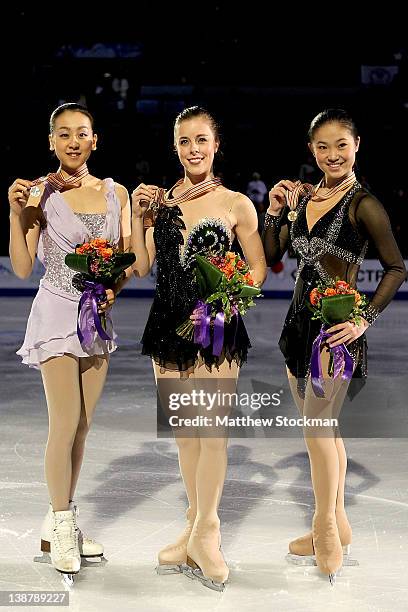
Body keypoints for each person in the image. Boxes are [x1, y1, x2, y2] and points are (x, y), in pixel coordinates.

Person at [263, 109, 406, 583]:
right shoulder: (306, 200)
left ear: (357, 145)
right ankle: (337, 522)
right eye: (323, 146)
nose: (333, 155)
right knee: (326, 431)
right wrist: (275, 212)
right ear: (312, 150)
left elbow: (396, 268)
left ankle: (324, 527)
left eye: (341, 144)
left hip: (335, 331)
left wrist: (364, 319)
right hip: (297, 327)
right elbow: (269, 255)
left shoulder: (364, 204)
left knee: (317, 430)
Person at [131, 106, 266, 591]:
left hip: (218, 329)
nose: (194, 148)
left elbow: (256, 270)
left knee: (213, 435)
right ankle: (192, 528)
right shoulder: (159, 204)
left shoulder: (236, 204)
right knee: (186, 435)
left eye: (202, 139)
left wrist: (224, 304)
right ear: (175, 147)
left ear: (216, 144)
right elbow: (142, 266)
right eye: (185, 140)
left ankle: (208, 531)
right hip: (166, 327)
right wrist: (135, 213)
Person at [8, 103, 131, 581]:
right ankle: (62, 525)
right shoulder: (40, 192)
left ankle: (58, 516)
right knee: (64, 422)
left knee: (82, 426)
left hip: (95, 320)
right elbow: (22, 267)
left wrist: (110, 293)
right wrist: (15, 214)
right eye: (63, 134)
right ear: (51, 142)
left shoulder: (114, 193)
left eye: (82, 133)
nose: (73, 141)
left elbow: (124, 262)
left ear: (95, 140)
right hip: (56, 310)